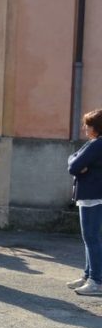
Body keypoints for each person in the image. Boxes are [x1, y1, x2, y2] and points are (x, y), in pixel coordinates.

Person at [67, 109, 102, 296]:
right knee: (91, 238)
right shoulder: (93, 144)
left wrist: (77, 163)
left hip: (92, 197)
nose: (84, 128)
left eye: (87, 125)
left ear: (96, 128)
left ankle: (96, 280)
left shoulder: (96, 145)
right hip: (94, 196)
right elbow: (74, 159)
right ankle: (89, 275)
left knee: (91, 238)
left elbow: (73, 166)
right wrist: (76, 161)